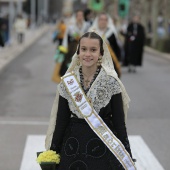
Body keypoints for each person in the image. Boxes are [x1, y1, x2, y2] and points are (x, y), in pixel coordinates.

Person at [45, 31, 136, 170]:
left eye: (93, 50)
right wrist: (52, 154)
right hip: (72, 147)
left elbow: (119, 124)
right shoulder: (67, 82)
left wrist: (127, 155)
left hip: (102, 148)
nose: (88, 54)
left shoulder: (112, 82)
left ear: (101, 53)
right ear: (78, 52)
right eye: (84, 49)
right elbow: (61, 122)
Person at [52, 10, 90, 83]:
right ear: (76, 17)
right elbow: (66, 38)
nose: (80, 17)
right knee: (69, 65)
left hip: (85, 49)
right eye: (78, 15)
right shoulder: (71, 27)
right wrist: (65, 48)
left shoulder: (87, 26)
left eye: (81, 15)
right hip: (73, 48)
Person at [90, 13, 122, 78]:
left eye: (105, 20)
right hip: (93, 62)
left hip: (109, 63)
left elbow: (116, 48)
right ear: (98, 21)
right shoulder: (92, 32)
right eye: (101, 19)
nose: (103, 21)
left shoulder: (111, 33)